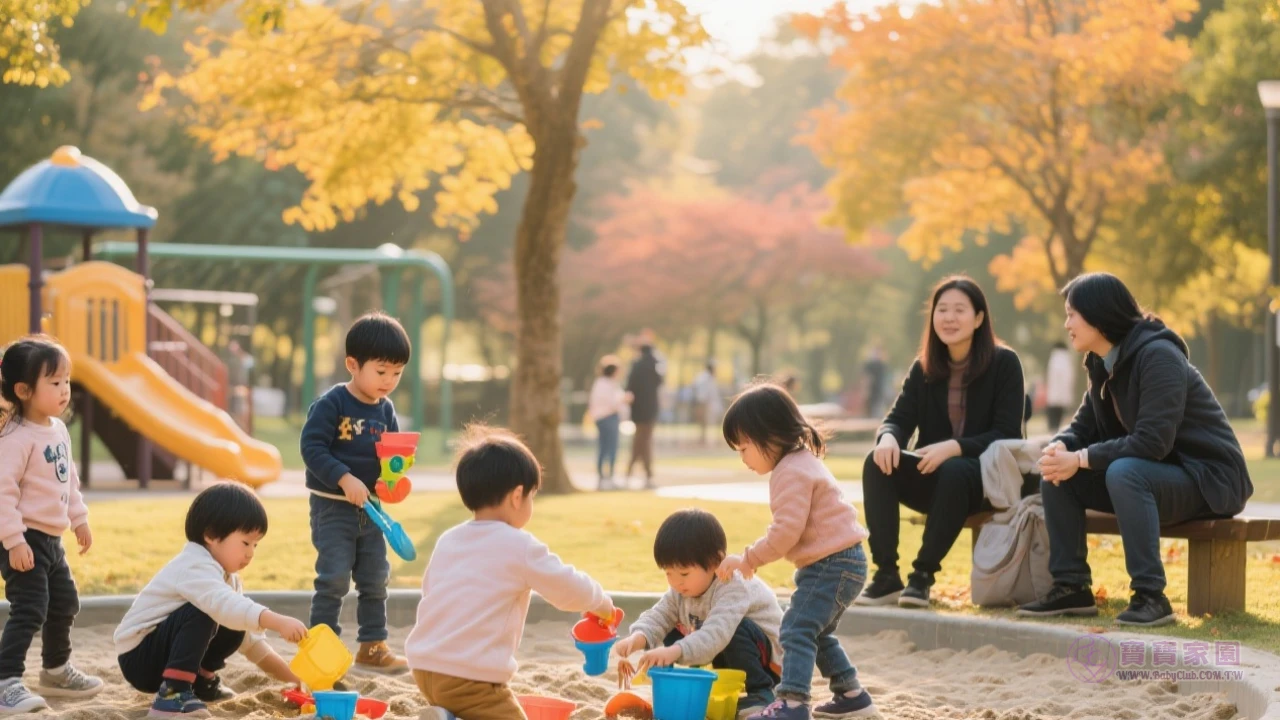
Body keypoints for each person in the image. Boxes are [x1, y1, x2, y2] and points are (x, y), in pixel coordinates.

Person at [1018, 273, 1252, 627]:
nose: (1066, 324)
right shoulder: (1101, 363)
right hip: (1155, 478)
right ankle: (1071, 586)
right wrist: (1059, 448)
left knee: (1123, 470)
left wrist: (1079, 459)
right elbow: (1084, 426)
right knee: (1057, 473)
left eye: (1071, 314)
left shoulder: (1158, 356)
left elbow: (1152, 441)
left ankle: (1150, 596)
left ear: (1098, 315)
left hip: (1208, 479)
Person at [404, 427, 616, 720]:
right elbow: (567, 587)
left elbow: (432, 592)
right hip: (470, 677)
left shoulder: (448, 539)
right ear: (517, 496)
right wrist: (601, 602)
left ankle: (446, 715)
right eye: (532, 497)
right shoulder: (519, 545)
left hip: (424, 665)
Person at [857, 276, 1025, 609]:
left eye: (959, 310)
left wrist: (954, 446)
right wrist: (889, 438)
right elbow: (898, 419)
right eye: (942, 309)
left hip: (984, 481)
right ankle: (887, 576)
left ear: (978, 319)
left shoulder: (1005, 363)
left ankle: (922, 578)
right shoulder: (924, 369)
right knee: (875, 463)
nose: (948, 318)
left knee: (956, 470)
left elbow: (1008, 434)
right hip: (934, 479)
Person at [716, 383, 876, 720]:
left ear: (770, 436)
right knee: (815, 631)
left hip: (832, 564)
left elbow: (786, 531)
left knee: (795, 629)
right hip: (844, 561)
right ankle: (850, 694)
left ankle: (792, 703)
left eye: (744, 448)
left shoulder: (790, 471)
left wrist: (748, 559)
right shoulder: (801, 462)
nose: (743, 458)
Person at [115, 483, 307, 717]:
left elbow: (252, 643)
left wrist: (296, 680)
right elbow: (224, 605)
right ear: (212, 535)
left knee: (237, 621)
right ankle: (172, 696)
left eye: (256, 545)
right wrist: (277, 621)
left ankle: (200, 682)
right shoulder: (193, 565)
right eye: (245, 543)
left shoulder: (229, 579)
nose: (251, 553)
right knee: (208, 610)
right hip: (140, 656)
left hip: (164, 656)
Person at [300, 311, 410, 670]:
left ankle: (372, 645)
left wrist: (392, 483)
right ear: (352, 364)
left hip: (373, 512)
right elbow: (312, 448)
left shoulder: (387, 410)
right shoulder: (333, 403)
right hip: (334, 509)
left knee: (376, 579)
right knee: (332, 579)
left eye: (396, 373)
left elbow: (390, 459)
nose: (389, 381)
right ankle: (322, 650)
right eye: (381, 372)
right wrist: (344, 477)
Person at [0, 336, 102, 713]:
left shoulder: (57, 430)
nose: (64, 390)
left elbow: (67, 479)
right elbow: (2, 493)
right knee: (30, 608)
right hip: (23, 538)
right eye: (54, 382)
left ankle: (55, 670)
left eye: (67, 381)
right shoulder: (15, 438)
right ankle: (5, 680)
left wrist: (79, 518)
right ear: (24, 390)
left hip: (51, 539)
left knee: (65, 602)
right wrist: (13, 541)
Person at [615, 509, 782, 717]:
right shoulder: (681, 590)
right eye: (668, 573)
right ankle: (696, 680)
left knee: (732, 629)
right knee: (672, 627)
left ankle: (760, 693)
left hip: (768, 661)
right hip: (724, 650)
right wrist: (637, 638)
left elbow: (716, 634)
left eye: (684, 573)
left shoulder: (732, 585)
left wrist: (674, 651)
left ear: (715, 562)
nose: (676, 582)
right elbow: (659, 615)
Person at [626, 341, 665, 489]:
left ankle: (631, 471)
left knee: (639, 441)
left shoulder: (636, 365)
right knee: (645, 441)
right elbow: (660, 381)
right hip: (650, 409)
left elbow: (630, 385)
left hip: (638, 409)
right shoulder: (655, 365)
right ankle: (646, 474)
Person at [588, 356, 629, 490]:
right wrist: (624, 399)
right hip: (608, 418)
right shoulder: (606, 385)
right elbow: (613, 403)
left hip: (602, 419)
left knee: (604, 448)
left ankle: (603, 477)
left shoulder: (601, 384)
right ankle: (608, 477)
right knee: (610, 448)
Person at [1044, 341, 1076, 432]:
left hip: (1053, 396)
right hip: (1063, 396)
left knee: (1053, 423)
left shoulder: (1054, 358)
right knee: (1060, 420)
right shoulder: (1067, 359)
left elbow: (1051, 379)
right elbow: (1070, 379)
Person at [691, 361, 723, 446]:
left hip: (712, 403)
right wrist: (702, 405)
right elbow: (702, 394)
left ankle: (714, 438)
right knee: (704, 422)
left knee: (715, 421)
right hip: (706, 403)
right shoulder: (704, 378)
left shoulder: (709, 378)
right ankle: (703, 439)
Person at [862, 345, 888, 419]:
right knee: (870, 411)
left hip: (879, 391)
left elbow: (884, 379)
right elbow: (866, 378)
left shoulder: (882, 365)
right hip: (871, 391)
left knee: (878, 411)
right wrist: (865, 390)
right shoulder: (869, 365)